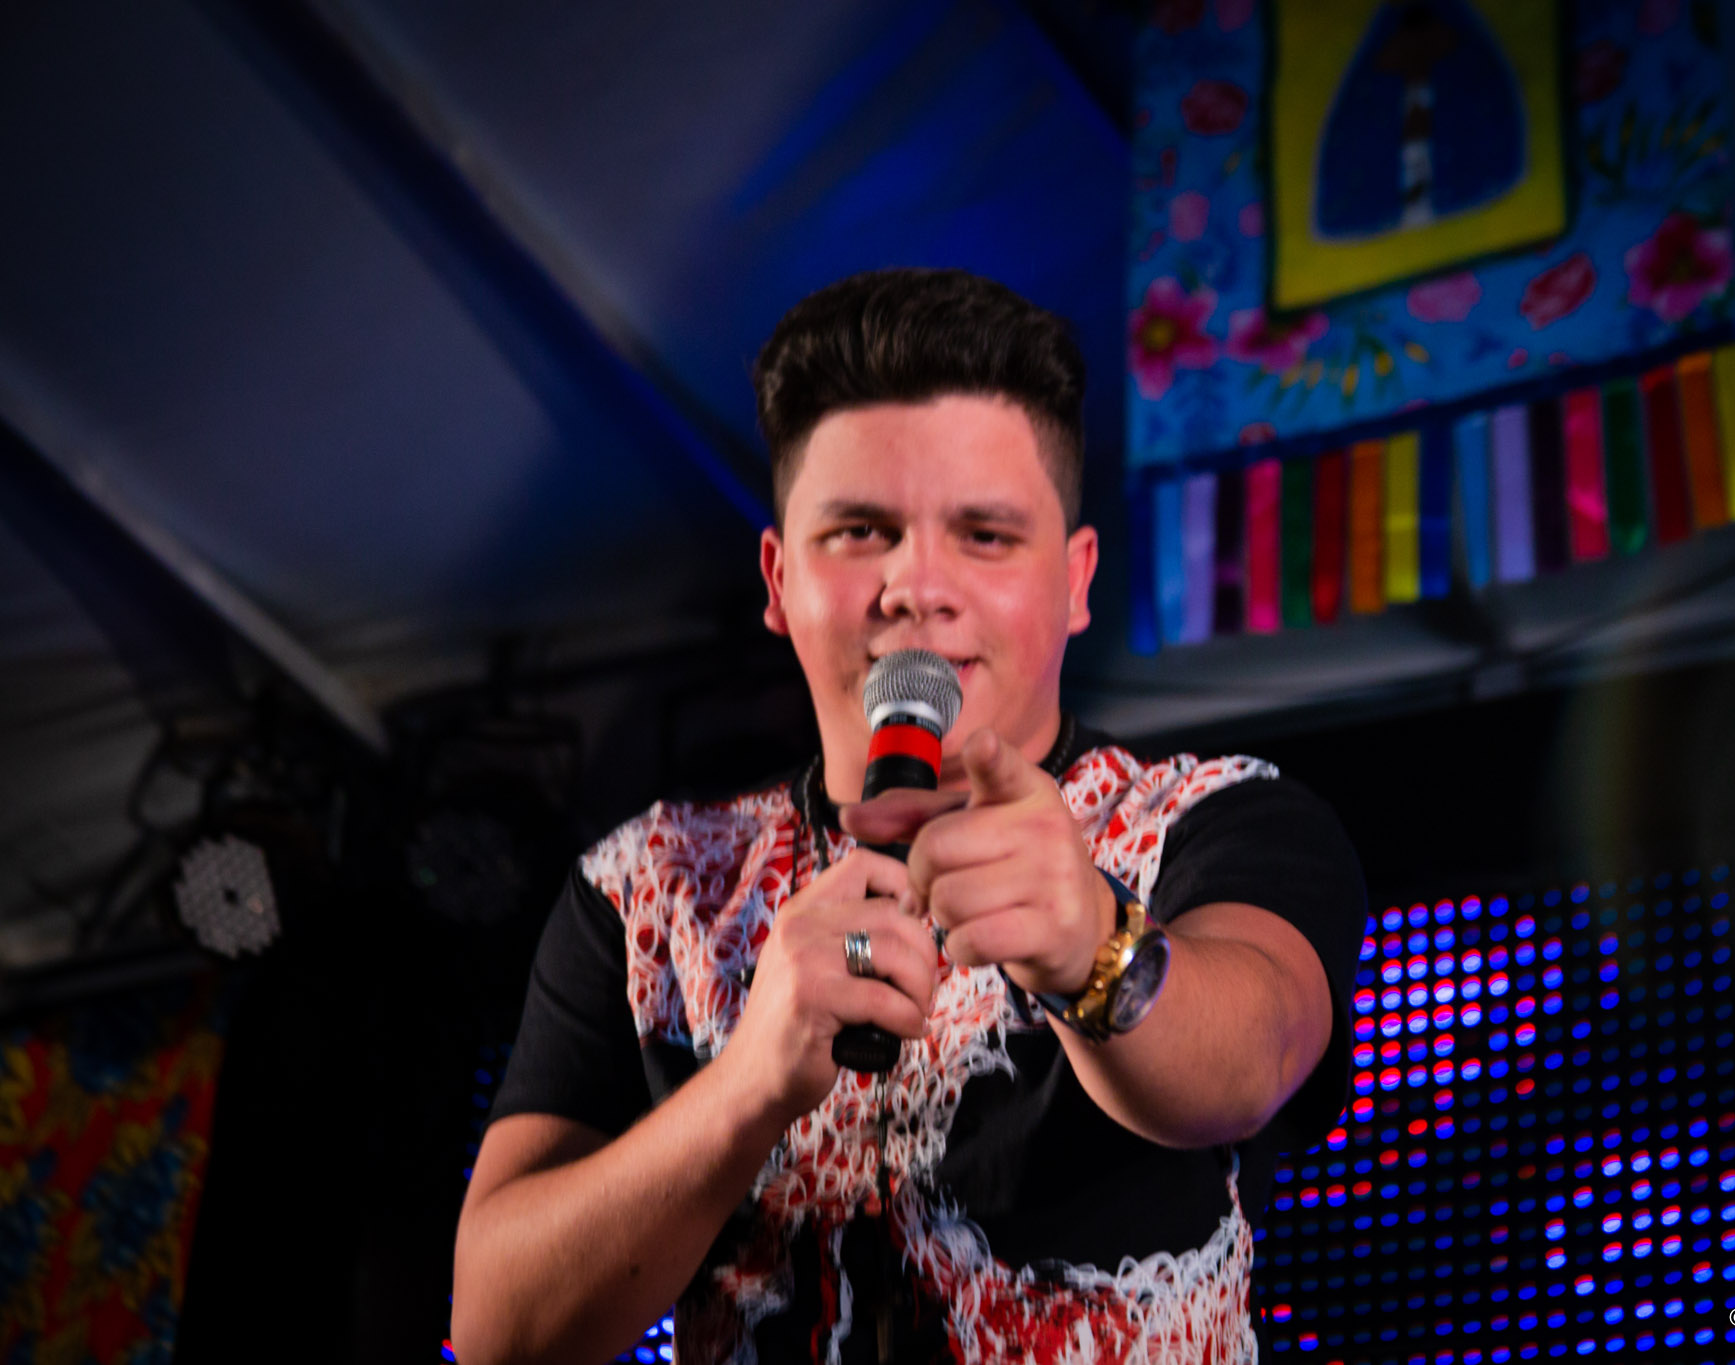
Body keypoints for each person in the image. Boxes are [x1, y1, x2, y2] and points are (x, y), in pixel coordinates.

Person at [450, 268, 1365, 1365]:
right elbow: (497, 1327)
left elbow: (1253, 1055)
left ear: (1075, 580)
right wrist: (745, 1085)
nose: (916, 585)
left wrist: (1096, 947)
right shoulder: (649, 885)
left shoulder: (1207, 818)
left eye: (985, 535)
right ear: (778, 578)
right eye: (859, 531)